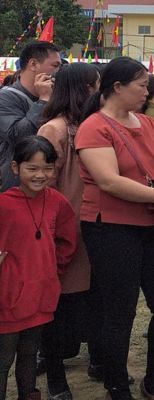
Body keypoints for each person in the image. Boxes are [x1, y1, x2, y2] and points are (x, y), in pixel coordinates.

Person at [75, 57, 154, 400]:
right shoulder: (94, 127)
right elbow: (109, 182)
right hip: (110, 228)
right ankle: (116, 385)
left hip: (153, 225)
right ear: (117, 87)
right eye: (141, 85)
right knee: (119, 311)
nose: (147, 91)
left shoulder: (148, 123)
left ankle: (153, 379)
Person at [36, 62, 100, 399]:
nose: (99, 93)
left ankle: (97, 362)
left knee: (89, 301)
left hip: (91, 227)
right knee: (58, 306)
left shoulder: (90, 126)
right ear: (81, 89)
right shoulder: (55, 129)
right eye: (94, 86)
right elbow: (42, 184)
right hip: (64, 232)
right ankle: (57, 379)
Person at [0, 136, 77, 400]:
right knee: (4, 357)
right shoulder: (4, 205)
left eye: (47, 168)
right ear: (15, 168)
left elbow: (68, 240)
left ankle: (29, 394)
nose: (40, 175)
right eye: (31, 168)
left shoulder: (56, 201)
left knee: (30, 354)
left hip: (42, 296)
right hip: (8, 299)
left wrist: (53, 271)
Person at [0, 41, 61, 191]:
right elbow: (18, 135)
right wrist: (43, 101)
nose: (59, 71)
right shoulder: (5, 97)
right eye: (55, 65)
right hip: (15, 186)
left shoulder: (54, 95)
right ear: (33, 64)